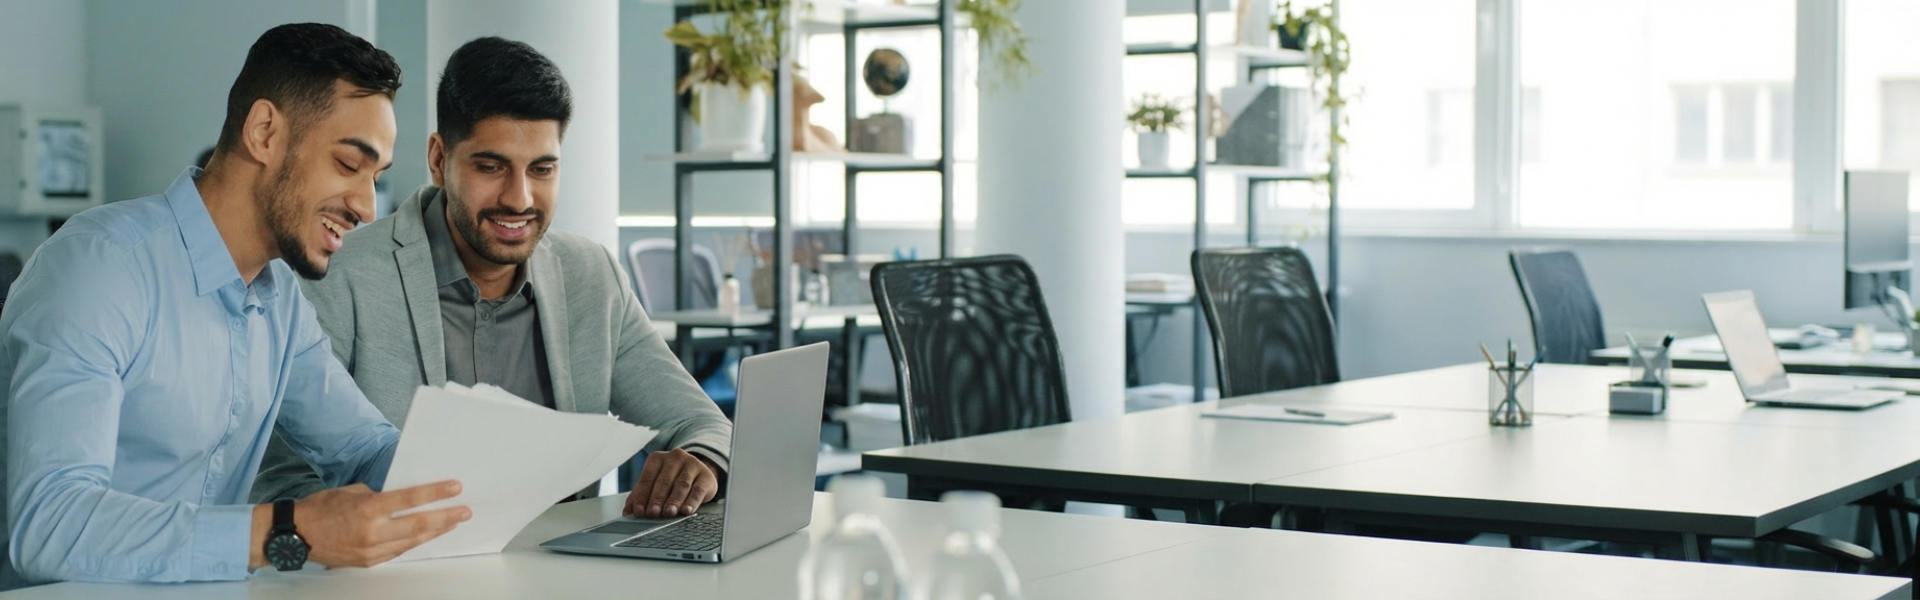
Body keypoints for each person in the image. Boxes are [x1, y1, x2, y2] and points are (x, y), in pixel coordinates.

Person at [0, 23, 469, 587]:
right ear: (265, 132)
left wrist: (467, 486)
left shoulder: (279, 299)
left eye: (376, 177)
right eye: (349, 165)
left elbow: (364, 447)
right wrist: (288, 531)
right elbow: (51, 525)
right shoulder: (98, 267)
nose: (367, 208)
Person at [251, 37, 733, 520]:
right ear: (439, 160)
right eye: (491, 166)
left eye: (542, 169)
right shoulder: (337, 274)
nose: (519, 198)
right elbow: (279, 477)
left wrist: (700, 464)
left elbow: (702, 423)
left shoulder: (590, 275)